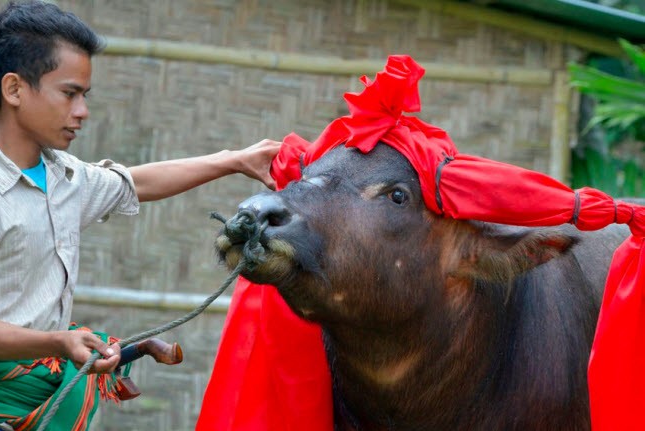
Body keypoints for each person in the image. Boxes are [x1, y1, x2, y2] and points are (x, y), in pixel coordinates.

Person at [198, 55, 645, 431]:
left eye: (395, 198)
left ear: (462, 256)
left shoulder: (538, 350)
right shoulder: (317, 365)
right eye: (313, 181)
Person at [0, 1, 280, 430]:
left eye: (84, 96)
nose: (82, 111)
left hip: (46, 398)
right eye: (69, 93)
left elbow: (137, 183)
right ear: (14, 89)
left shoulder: (66, 178)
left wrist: (235, 160)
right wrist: (56, 341)